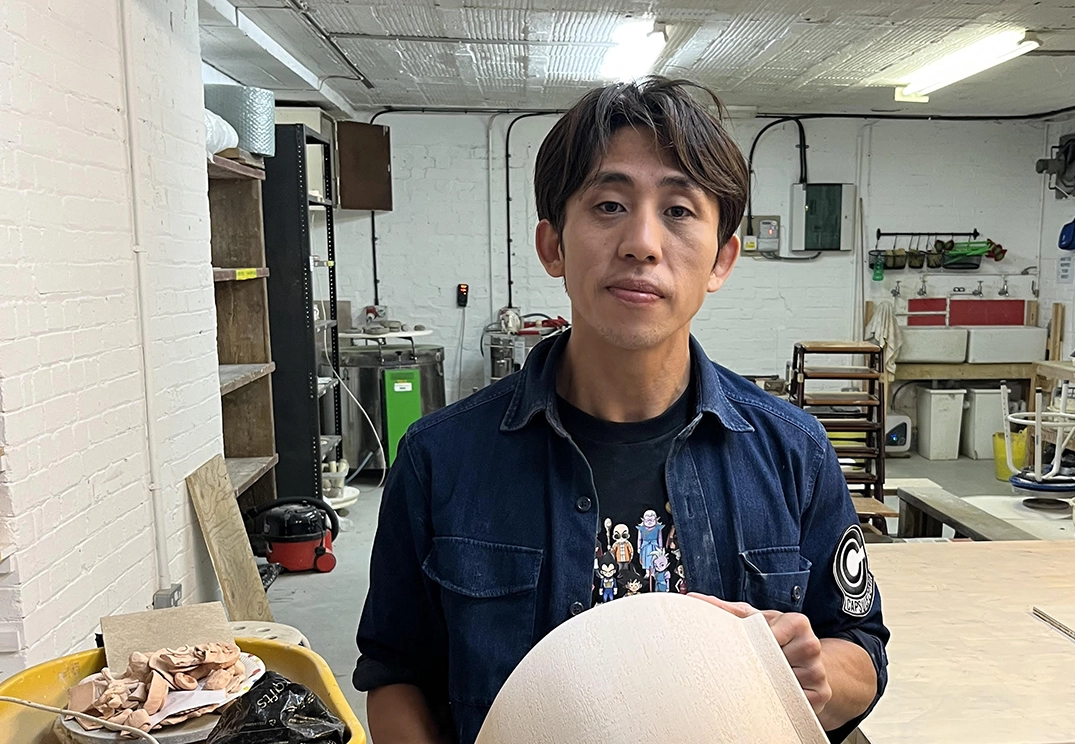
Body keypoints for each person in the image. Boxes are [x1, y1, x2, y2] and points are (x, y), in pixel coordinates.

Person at [354, 76, 889, 744]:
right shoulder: (441, 459)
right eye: (608, 205)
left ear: (723, 258)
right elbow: (395, 671)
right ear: (553, 245)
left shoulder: (792, 451)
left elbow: (861, 647)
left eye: (679, 211)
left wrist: (817, 678)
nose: (642, 241)